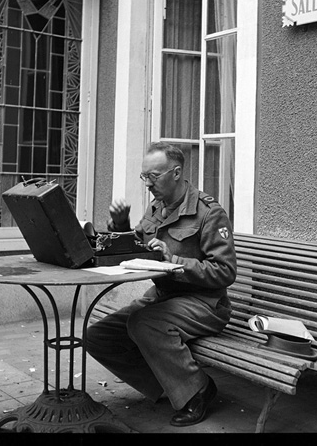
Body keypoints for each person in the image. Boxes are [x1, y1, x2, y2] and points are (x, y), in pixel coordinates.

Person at [86, 142, 237, 427]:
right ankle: (171, 387)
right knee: (99, 337)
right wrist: (120, 226)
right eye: (144, 177)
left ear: (176, 172)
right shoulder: (157, 207)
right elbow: (137, 247)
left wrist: (175, 261)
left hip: (205, 303)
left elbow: (226, 271)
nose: (147, 184)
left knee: (143, 324)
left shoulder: (208, 212)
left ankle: (197, 391)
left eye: (153, 177)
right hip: (164, 296)